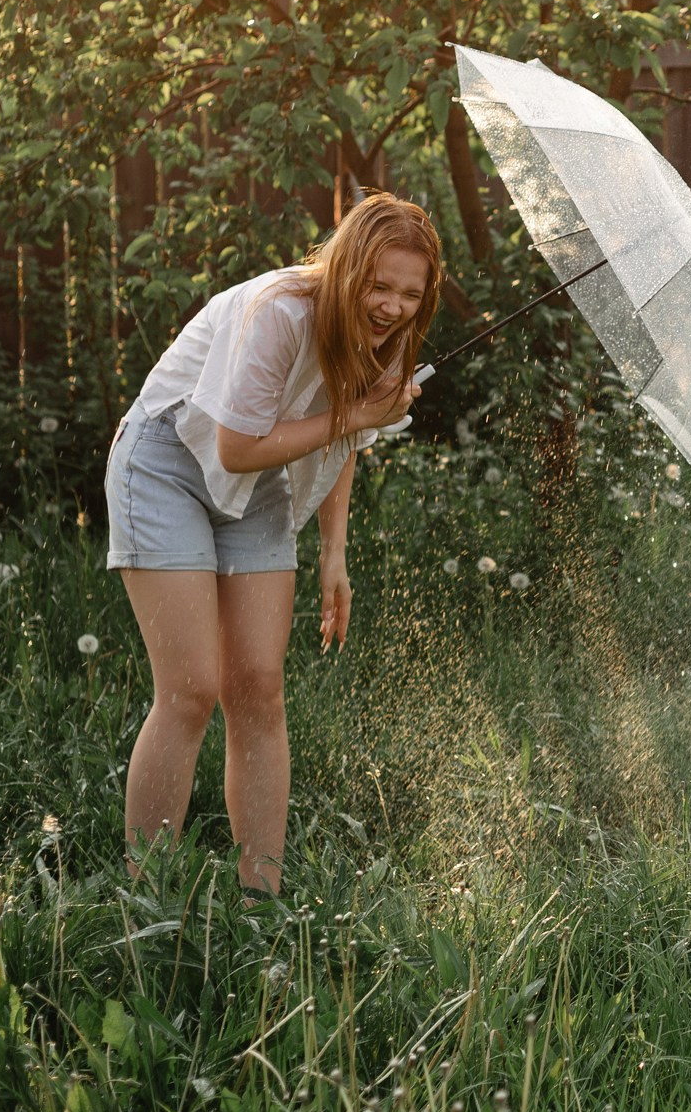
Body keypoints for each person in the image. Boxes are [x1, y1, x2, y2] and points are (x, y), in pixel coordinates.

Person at [105, 192, 440, 892]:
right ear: (347, 268)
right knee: (192, 690)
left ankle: (261, 897)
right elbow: (234, 446)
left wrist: (334, 555)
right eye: (379, 286)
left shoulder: (389, 336)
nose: (392, 306)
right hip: (169, 460)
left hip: (260, 481)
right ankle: (147, 895)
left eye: (410, 293)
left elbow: (342, 437)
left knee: (258, 686)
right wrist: (354, 412)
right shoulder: (281, 313)